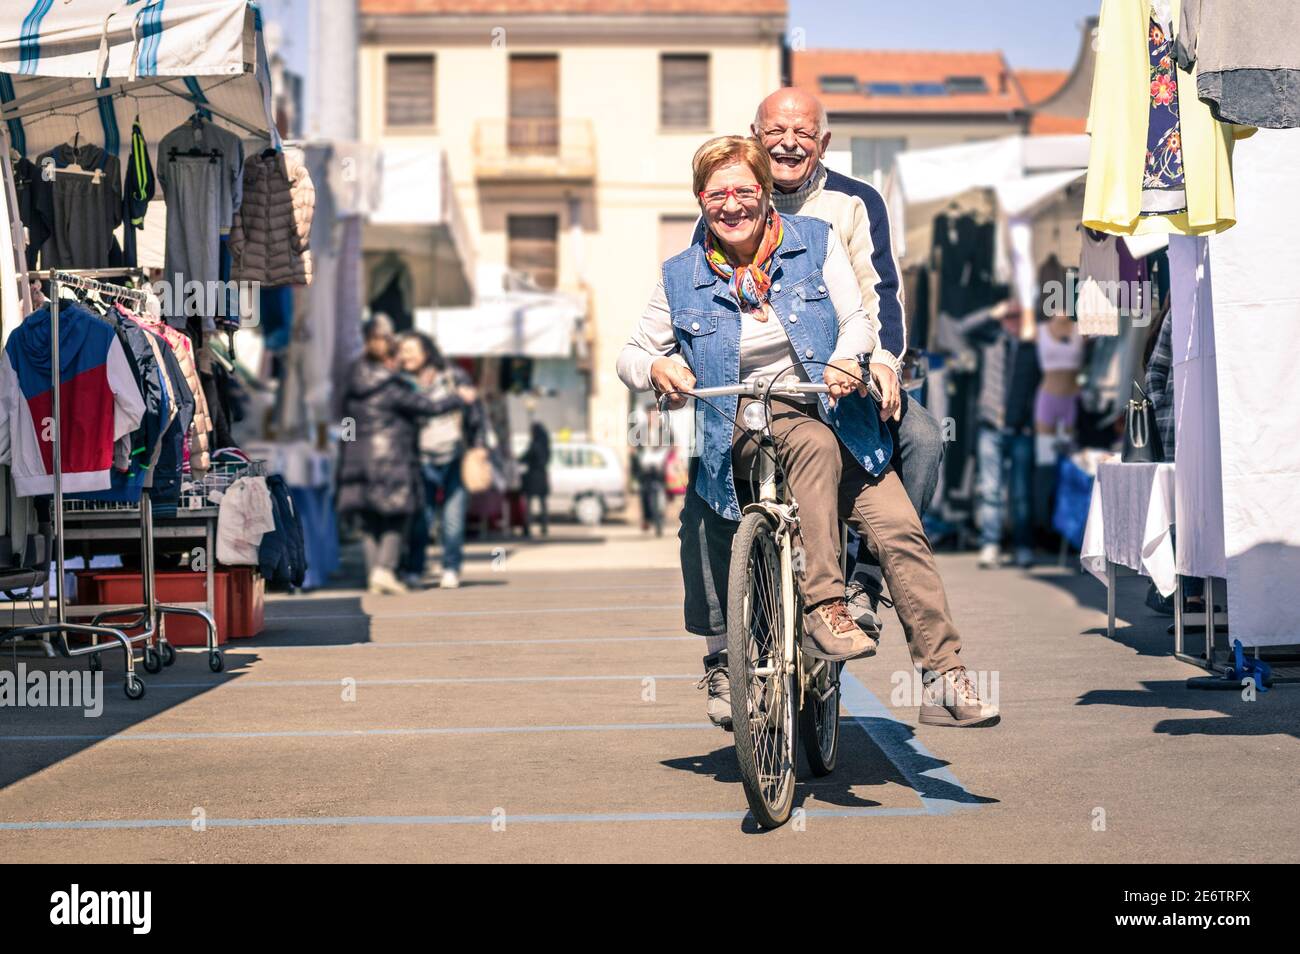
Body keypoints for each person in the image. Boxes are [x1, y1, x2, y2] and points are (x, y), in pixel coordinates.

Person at [618, 135, 998, 729]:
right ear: (700, 201)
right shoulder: (680, 276)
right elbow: (632, 354)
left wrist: (850, 357)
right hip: (745, 428)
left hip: (839, 416)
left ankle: (943, 674)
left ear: (766, 195)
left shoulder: (815, 244)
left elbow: (855, 320)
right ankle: (826, 606)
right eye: (717, 194)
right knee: (805, 442)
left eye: (745, 190)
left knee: (898, 527)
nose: (732, 205)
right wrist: (656, 366)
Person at [337, 316, 467, 595]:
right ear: (389, 358)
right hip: (391, 459)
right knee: (399, 515)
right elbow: (428, 407)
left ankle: (375, 575)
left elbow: (345, 421)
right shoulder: (390, 386)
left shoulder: (354, 379)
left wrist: (350, 447)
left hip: (358, 459)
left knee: (371, 520)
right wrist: (459, 398)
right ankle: (384, 569)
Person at [957, 294, 1042, 569]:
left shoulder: (1033, 348)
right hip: (990, 426)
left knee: (1020, 492)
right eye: (1009, 317)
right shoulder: (990, 342)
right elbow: (963, 329)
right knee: (991, 491)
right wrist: (995, 312)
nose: (1013, 322)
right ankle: (990, 544)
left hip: (1022, 429)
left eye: (1018, 317)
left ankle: (1022, 546)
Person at [395, 332, 482, 590]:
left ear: (427, 351)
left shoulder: (453, 376)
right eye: (402, 350)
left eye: (411, 349)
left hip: (455, 456)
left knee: (453, 520)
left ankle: (451, 568)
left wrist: (479, 445)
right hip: (420, 458)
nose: (406, 355)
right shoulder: (400, 382)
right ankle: (414, 567)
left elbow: (475, 411)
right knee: (422, 519)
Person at [519, 420, 550, 538]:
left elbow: (526, 457)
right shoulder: (546, 445)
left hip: (533, 475)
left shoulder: (534, 444)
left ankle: (527, 527)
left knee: (529, 503)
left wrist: (518, 459)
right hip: (542, 475)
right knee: (542, 504)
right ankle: (544, 527)